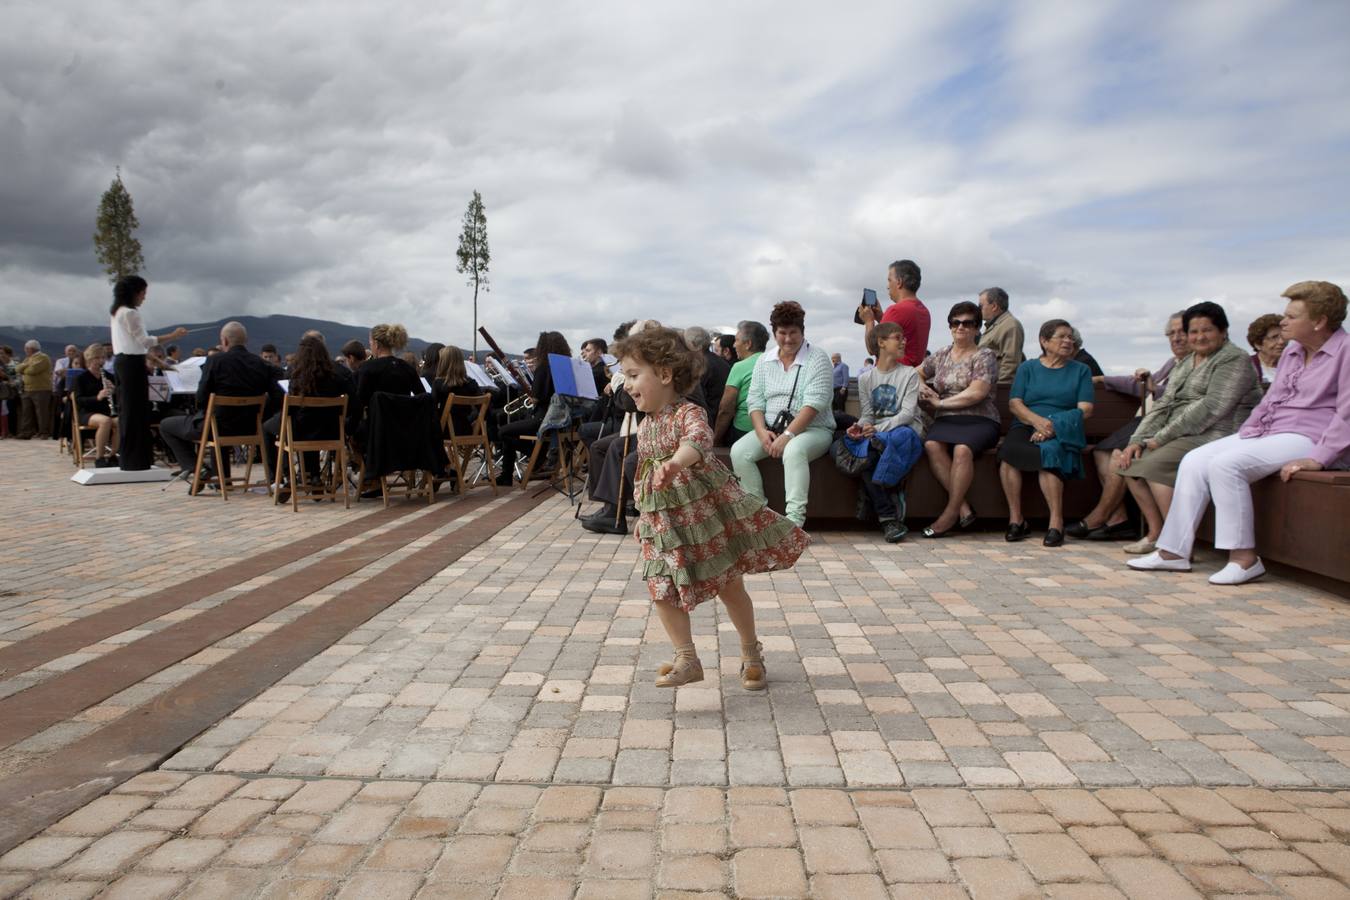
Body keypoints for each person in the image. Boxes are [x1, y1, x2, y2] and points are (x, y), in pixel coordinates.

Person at [616, 325, 808, 690]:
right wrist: (644, 516)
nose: (626, 384)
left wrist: (675, 463)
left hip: (704, 519)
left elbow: (698, 442)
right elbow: (644, 473)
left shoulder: (687, 413)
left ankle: (751, 651)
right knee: (660, 586)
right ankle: (686, 657)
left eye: (632, 375)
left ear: (665, 374)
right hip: (665, 525)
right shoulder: (646, 423)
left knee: (729, 586)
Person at [1130, 281, 1350, 585]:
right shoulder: (1294, 352)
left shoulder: (1346, 352)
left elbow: (1347, 413)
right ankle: (1173, 552)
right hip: (1271, 430)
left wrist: (1320, 458)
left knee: (1226, 465)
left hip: (1309, 435)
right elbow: (1270, 400)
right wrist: (1248, 432)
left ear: (1319, 321)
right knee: (1194, 460)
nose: (1283, 321)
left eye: (1292, 316)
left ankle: (1244, 558)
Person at [1114, 302, 1261, 554]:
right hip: (1183, 432)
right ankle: (1158, 533)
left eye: (1207, 330)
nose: (1199, 337)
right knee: (1127, 462)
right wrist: (1137, 439)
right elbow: (1164, 404)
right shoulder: (1186, 361)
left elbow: (1212, 407)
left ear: (1223, 331)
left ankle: (1179, 544)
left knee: (1152, 465)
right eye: (1193, 332)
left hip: (1218, 432)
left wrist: (1159, 439)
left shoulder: (1233, 359)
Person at [1069, 311, 1190, 542]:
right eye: (1171, 333)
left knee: (1119, 457)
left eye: (1182, 332)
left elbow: (1175, 397)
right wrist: (1104, 380)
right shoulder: (1173, 363)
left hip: (1163, 425)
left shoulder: (1193, 365)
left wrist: (1153, 387)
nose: (1176, 338)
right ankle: (1118, 520)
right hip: (1146, 420)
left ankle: (1100, 516)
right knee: (1100, 452)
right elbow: (1142, 387)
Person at [731, 301, 835, 527]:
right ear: (774, 333)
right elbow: (755, 400)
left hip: (814, 429)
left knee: (794, 450)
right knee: (739, 452)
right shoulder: (764, 360)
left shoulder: (817, 358)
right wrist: (760, 432)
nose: (788, 339)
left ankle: (794, 520)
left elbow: (814, 404)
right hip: (772, 427)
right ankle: (758, 515)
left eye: (793, 333)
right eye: (782, 333)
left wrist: (787, 435)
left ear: (802, 332)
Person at [998, 319, 1095, 546]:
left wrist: (1052, 425)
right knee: (1009, 455)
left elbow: (1086, 409)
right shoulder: (1028, 368)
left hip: (1063, 428)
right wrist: (1038, 422)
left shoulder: (1081, 370)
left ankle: (1056, 523)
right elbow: (1015, 403)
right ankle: (1017, 520)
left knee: (1049, 454)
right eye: (1062, 336)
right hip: (1027, 424)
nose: (1068, 341)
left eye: (1070, 337)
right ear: (1044, 341)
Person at [918, 301, 1002, 537]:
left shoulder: (984, 355)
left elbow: (978, 393)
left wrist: (940, 403)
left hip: (980, 418)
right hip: (947, 419)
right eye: (956, 322)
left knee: (962, 450)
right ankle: (964, 507)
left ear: (977, 328)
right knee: (932, 445)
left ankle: (950, 513)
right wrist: (925, 388)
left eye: (968, 323)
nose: (961, 327)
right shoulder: (942, 354)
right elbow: (916, 373)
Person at [159, 321, 283, 481]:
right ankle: (219, 477)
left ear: (224, 341)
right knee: (218, 418)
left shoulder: (214, 361)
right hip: (252, 426)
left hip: (217, 426)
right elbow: (277, 396)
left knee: (166, 425)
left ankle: (197, 469)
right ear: (246, 341)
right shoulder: (262, 364)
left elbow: (201, 398)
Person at [849, 322, 925, 542]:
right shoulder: (866, 378)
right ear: (881, 342)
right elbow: (867, 414)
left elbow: (908, 414)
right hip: (877, 436)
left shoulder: (909, 374)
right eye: (897, 337)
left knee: (882, 444)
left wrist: (876, 429)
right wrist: (861, 427)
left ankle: (871, 498)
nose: (903, 341)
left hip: (904, 431)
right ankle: (888, 509)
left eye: (903, 338)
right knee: (852, 446)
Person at [108, 277, 188, 469]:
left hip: (125, 362)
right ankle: (136, 460)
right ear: (134, 293)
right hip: (131, 364)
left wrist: (160, 362)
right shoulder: (130, 313)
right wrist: (173, 335)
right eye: (143, 293)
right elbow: (145, 341)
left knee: (129, 410)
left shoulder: (117, 312)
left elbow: (139, 346)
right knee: (135, 411)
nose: (144, 297)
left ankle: (132, 459)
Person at [263, 334, 349, 496]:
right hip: (332, 432)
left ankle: (281, 478)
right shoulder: (337, 374)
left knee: (269, 428)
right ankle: (314, 476)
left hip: (300, 432)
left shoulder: (296, 374)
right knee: (312, 424)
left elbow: (290, 411)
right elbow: (354, 404)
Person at [497, 332, 570, 486]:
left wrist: (532, 396)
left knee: (503, 431)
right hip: (562, 419)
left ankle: (536, 459)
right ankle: (507, 474)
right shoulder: (566, 365)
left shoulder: (544, 367)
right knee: (510, 430)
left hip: (544, 419)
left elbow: (536, 397)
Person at [348, 323, 425, 451]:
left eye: (370, 343)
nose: (370, 347)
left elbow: (359, 404)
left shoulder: (368, 368)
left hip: (376, 432)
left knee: (351, 433)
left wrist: (348, 429)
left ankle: (367, 466)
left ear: (377, 344)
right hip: (405, 430)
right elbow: (421, 397)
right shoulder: (407, 368)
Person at [858, 259, 930, 367]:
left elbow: (872, 348)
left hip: (893, 377)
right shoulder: (923, 310)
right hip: (912, 374)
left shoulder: (896, 310)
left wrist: (869, 321)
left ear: (899, 282)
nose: (887, 286)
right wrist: (881, 318)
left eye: (889, 280)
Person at [713, 320, 768, 447]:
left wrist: (716, 439)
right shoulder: (772, 362)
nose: (733, 345)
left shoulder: (740, 367)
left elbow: (726, 408)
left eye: (737, 340)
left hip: (744, 429)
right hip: (769, 429)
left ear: (748, 344)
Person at [72, 343, 119, 466]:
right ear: (89, 359)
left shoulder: (109, 377)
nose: (100, 361)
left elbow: (119, 398)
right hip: (87, 412)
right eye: (97, 358)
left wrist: (114, 391)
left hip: (106, 411)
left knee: (120, 421)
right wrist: (97, 397)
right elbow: (79, 400)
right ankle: (99, 458)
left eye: (103, 358)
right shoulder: (81, 378)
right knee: (105, 421)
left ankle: (113, 455)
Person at [432, 344, 486, 437]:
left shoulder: (439, 384)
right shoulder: (471, 383)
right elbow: (484, 411)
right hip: (466, 430)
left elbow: (432, 411)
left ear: (443, 363)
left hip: (445, 432)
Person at [976, 287, 1025, 384]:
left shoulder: (1010, 325)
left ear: (994, 306)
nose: (978, 310)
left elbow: (1010, 363)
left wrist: (998, 389)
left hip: (998, 391)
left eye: (980, 306)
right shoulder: (996, 326)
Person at [14, 340, 53, 440]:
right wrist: (25, 366)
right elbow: (17, 369)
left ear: (30, 349)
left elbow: (32, 370)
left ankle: (44, 432)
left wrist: (24, 368)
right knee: (26, 412)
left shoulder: (43, 357)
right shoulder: (28, 359)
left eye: (26, 348)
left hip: (41, 389)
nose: (25, 350)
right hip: (27, 389)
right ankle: (26, 432)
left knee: (41, 412)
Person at [1246, 313, 1286, 390]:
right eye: (1274, 337)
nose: (1281, 342)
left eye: (1283, 336)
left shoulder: (1294, 365)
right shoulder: (1245, 366)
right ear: (1258, 344)